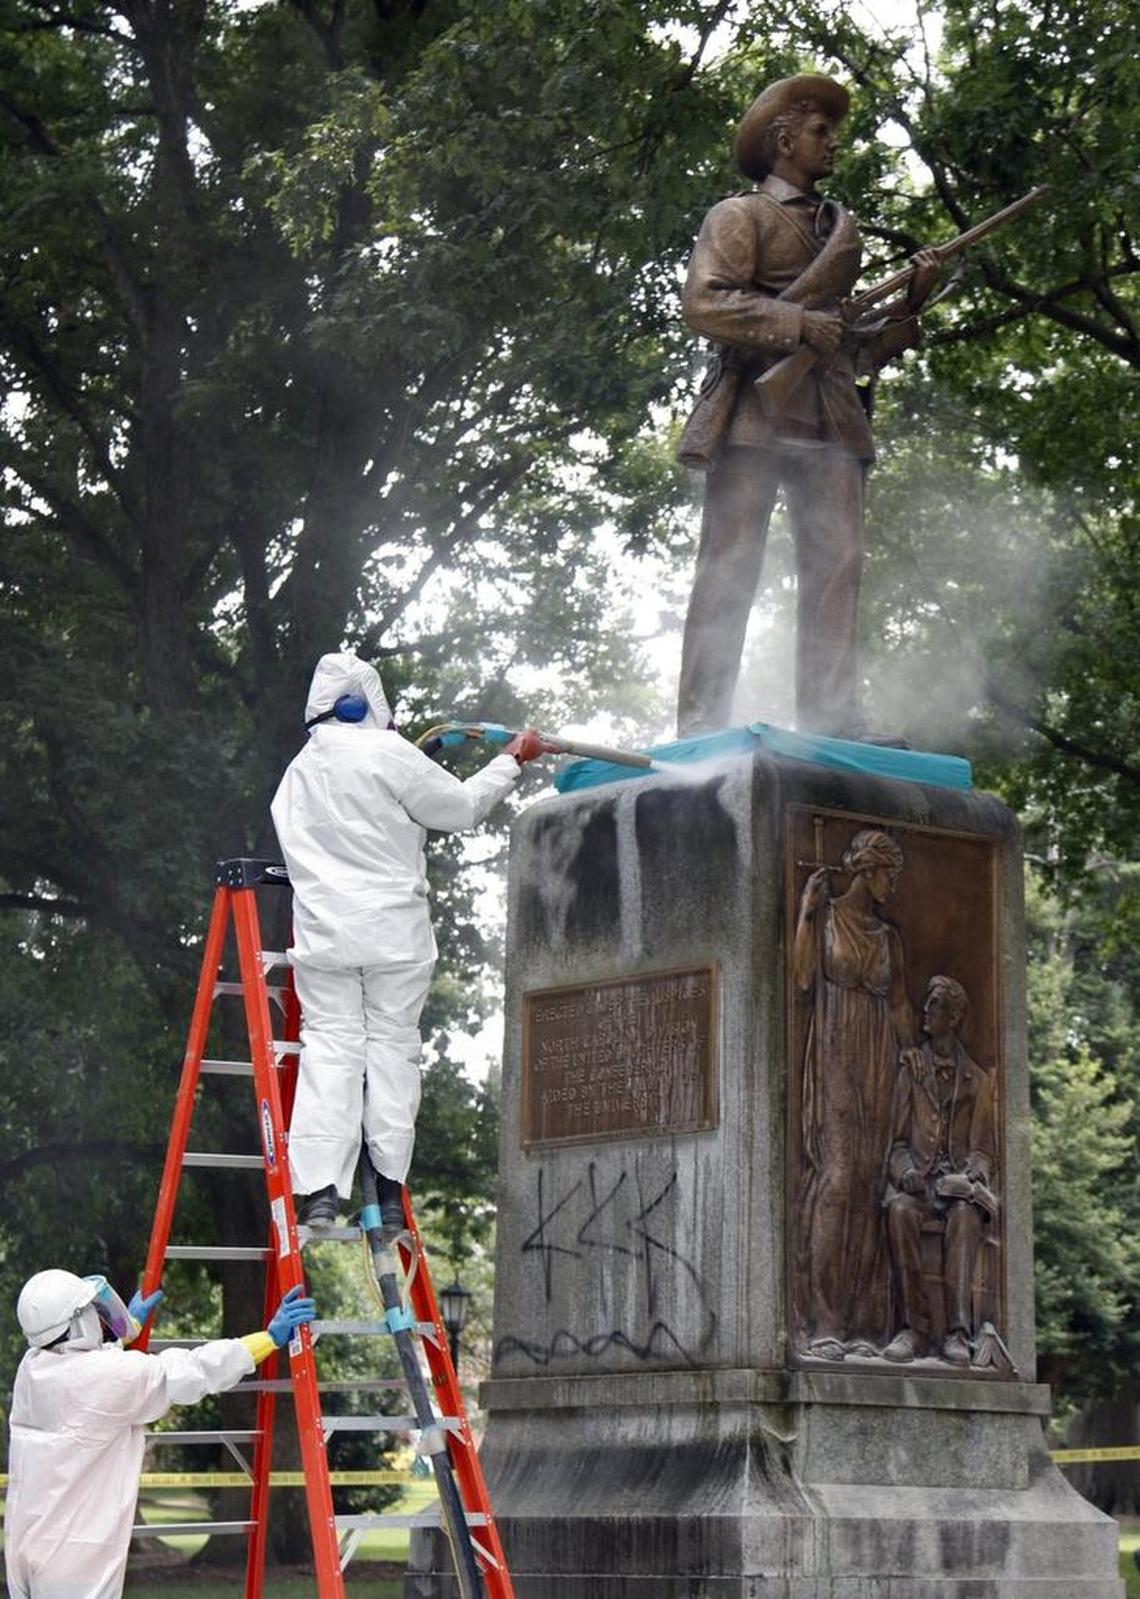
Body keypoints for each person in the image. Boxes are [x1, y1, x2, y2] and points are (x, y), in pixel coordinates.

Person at [675, 73, 942, 738]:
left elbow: (855, 347)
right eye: (820, 131)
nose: (832, 144)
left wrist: (912, 303)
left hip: (828, 415)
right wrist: (796, 325)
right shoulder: (739, 217)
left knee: (839, 563)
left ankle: (832, 719)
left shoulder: (833, 229)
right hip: (753, 415)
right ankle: (701, 723)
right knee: (729, 565)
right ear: (784, 139)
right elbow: (706, 303)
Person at [271, 651, 553, 1230]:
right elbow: (463, 808)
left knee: (331, 1047)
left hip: (324, 934)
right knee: (393, 1048)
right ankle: (390, 1187)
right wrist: (512, 760)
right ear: (359, 704)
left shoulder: (294, 777)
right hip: (393, 934)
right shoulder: (386, 753)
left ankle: (320, 1189)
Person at [5, 1268, 315, 1599]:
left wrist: (128, 1328)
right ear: (78, 1323)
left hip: (24, 1544)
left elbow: (81, 1360)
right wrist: (268, 1339)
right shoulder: (109, 1377)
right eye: (93, 1311)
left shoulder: (32, 1368)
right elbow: (195, 1370)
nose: (99, 1317)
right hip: (71, 1562)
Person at [793, 828, 915, 1357]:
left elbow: (901, 1008)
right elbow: (800, 979)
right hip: (838, 1051)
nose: (895, 884)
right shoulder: (826, 918)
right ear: (869, 869)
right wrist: (805, 912)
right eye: (891, 873)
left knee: (869, 1185)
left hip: (880, 1061)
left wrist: (916, 1066)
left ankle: (865, 1327)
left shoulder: (889, 938)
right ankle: (824, 1319)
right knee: (837, 1180)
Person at [882, 974, 999, 1366]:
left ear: (956, 1016)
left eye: (935, 1005)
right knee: (898, 1211)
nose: (926, 1012)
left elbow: (984, 1151)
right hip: (919, 1188)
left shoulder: (978, 1081)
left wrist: (972, 1178)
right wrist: (905, 1173)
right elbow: (896, 1144)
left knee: (965, 1217)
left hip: (957, 1191)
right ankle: (913, 1329)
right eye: (927, 1004)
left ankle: (957, 1333)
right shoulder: (911, 1071)